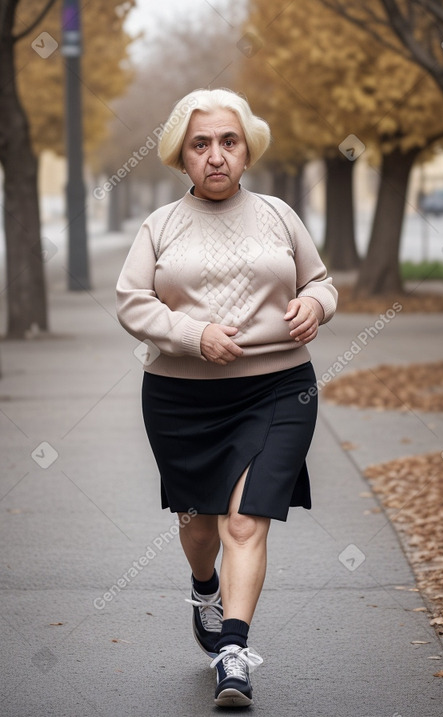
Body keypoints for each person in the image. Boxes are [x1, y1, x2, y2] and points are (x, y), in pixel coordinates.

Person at [116, 88, 337, 708]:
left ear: (247, 150)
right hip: (182, 398)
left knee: (246, 519)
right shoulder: (159, 226)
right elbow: (133, 302)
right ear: (181, 157)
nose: (216, 155)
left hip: (279, 388)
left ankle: (234, 653)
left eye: (228, 142)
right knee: (200, 526)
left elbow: (319, 279)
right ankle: (203, 585)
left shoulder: (278, 214)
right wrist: (194, 334)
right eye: (201, 144)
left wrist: (315, 303)